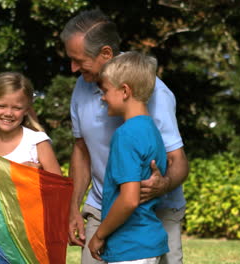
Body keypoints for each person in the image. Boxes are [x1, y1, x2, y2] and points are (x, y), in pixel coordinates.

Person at [60, 10, 189, 264]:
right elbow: (81, 150)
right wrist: (73, 206)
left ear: (106, 54)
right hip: (103, 205)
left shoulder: (155, 92)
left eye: (79, 60)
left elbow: (179, 161)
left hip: (154, 211)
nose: (73, 68)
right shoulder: (81, 87)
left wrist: (161, 185)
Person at [88, 51, 169, 263]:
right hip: (148, 243)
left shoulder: (126, 134)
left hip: (130, 247)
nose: (103, 97)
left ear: (125, 91)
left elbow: (129, 199)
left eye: (105, 90)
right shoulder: (151, 129)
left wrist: (99, 235)